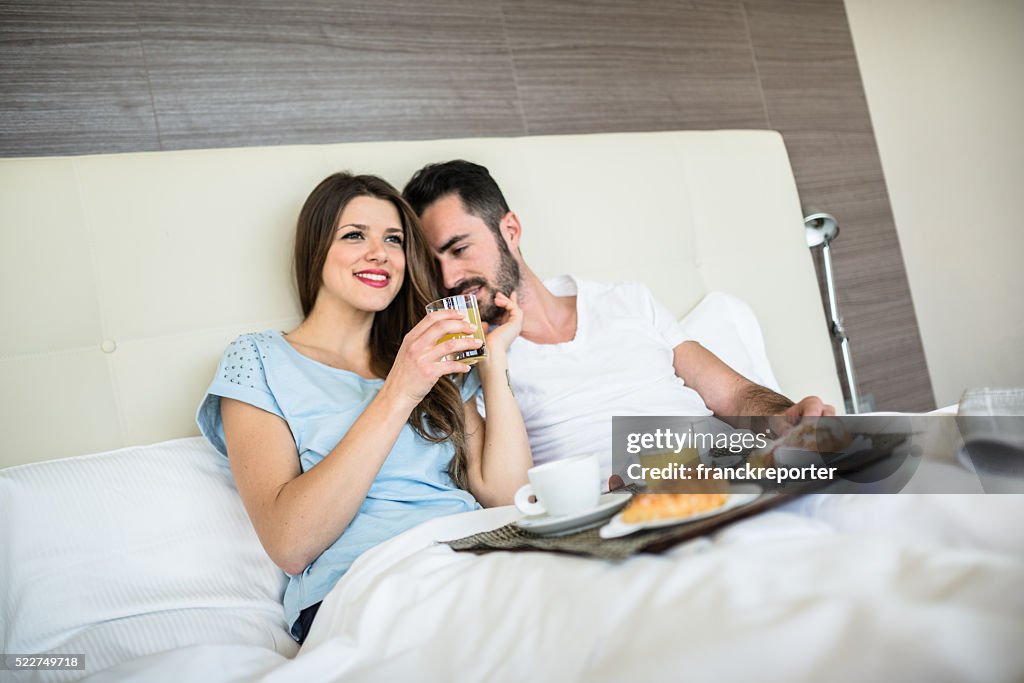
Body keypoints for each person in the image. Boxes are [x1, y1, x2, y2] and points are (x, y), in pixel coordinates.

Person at [196, 172, 531, 644]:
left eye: (393, 240)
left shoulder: (423, 354)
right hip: (374, 582)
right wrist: (399, 390)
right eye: (355, 235)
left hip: (478, 552)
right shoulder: (258, 360)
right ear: (315, 249)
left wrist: (493, 361)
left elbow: (508, 493)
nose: (380, 253)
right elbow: (290, 543)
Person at [402, 160, 835, 485]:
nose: (448, 279)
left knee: (877, 478)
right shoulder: (469, 358)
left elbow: (736, 395)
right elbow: (504, 491)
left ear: (510, 230)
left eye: (459, 249)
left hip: (731, 471)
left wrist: (784, 415)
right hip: (626, 503)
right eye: (433, 264)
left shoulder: (627, 301)